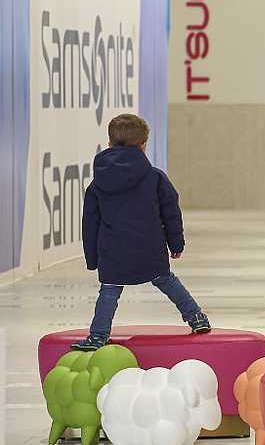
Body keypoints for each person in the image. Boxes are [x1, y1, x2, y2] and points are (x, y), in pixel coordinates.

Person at [74, 115, 210, 351]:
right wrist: (176, 245)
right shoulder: (155, 178)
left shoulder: (97, 184)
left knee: (109, 292)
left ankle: (97, 337)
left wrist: (92, 258)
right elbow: (171, 214)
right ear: (143, 144)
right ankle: (196, 318)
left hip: (112, 250)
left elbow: (90, 223)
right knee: (167, 281)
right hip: (149, 248)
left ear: (109, 143)